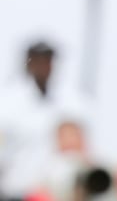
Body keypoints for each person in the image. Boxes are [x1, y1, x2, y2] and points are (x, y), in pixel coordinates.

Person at [0, 41, 89, 201]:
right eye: (39, 60)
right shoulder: (8, 105)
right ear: (29, 63)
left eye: (48, 60)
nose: (45, 66)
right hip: (15, 193)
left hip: (53, 194)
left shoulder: (68, 103)